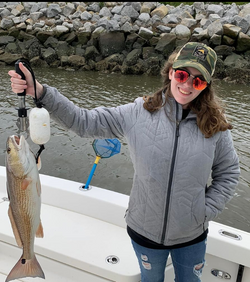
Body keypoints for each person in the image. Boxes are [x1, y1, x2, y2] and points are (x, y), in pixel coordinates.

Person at [8, 42, 240, 282]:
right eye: (182, 74)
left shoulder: (216, 127)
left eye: (198, 81)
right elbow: (83, 122)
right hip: (144, 232)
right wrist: (41, 93)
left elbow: (229, 172)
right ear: (171, 72)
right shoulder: (139, 112)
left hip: (192, 236)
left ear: (206, 86)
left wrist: (205, 211)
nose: (187, 85)